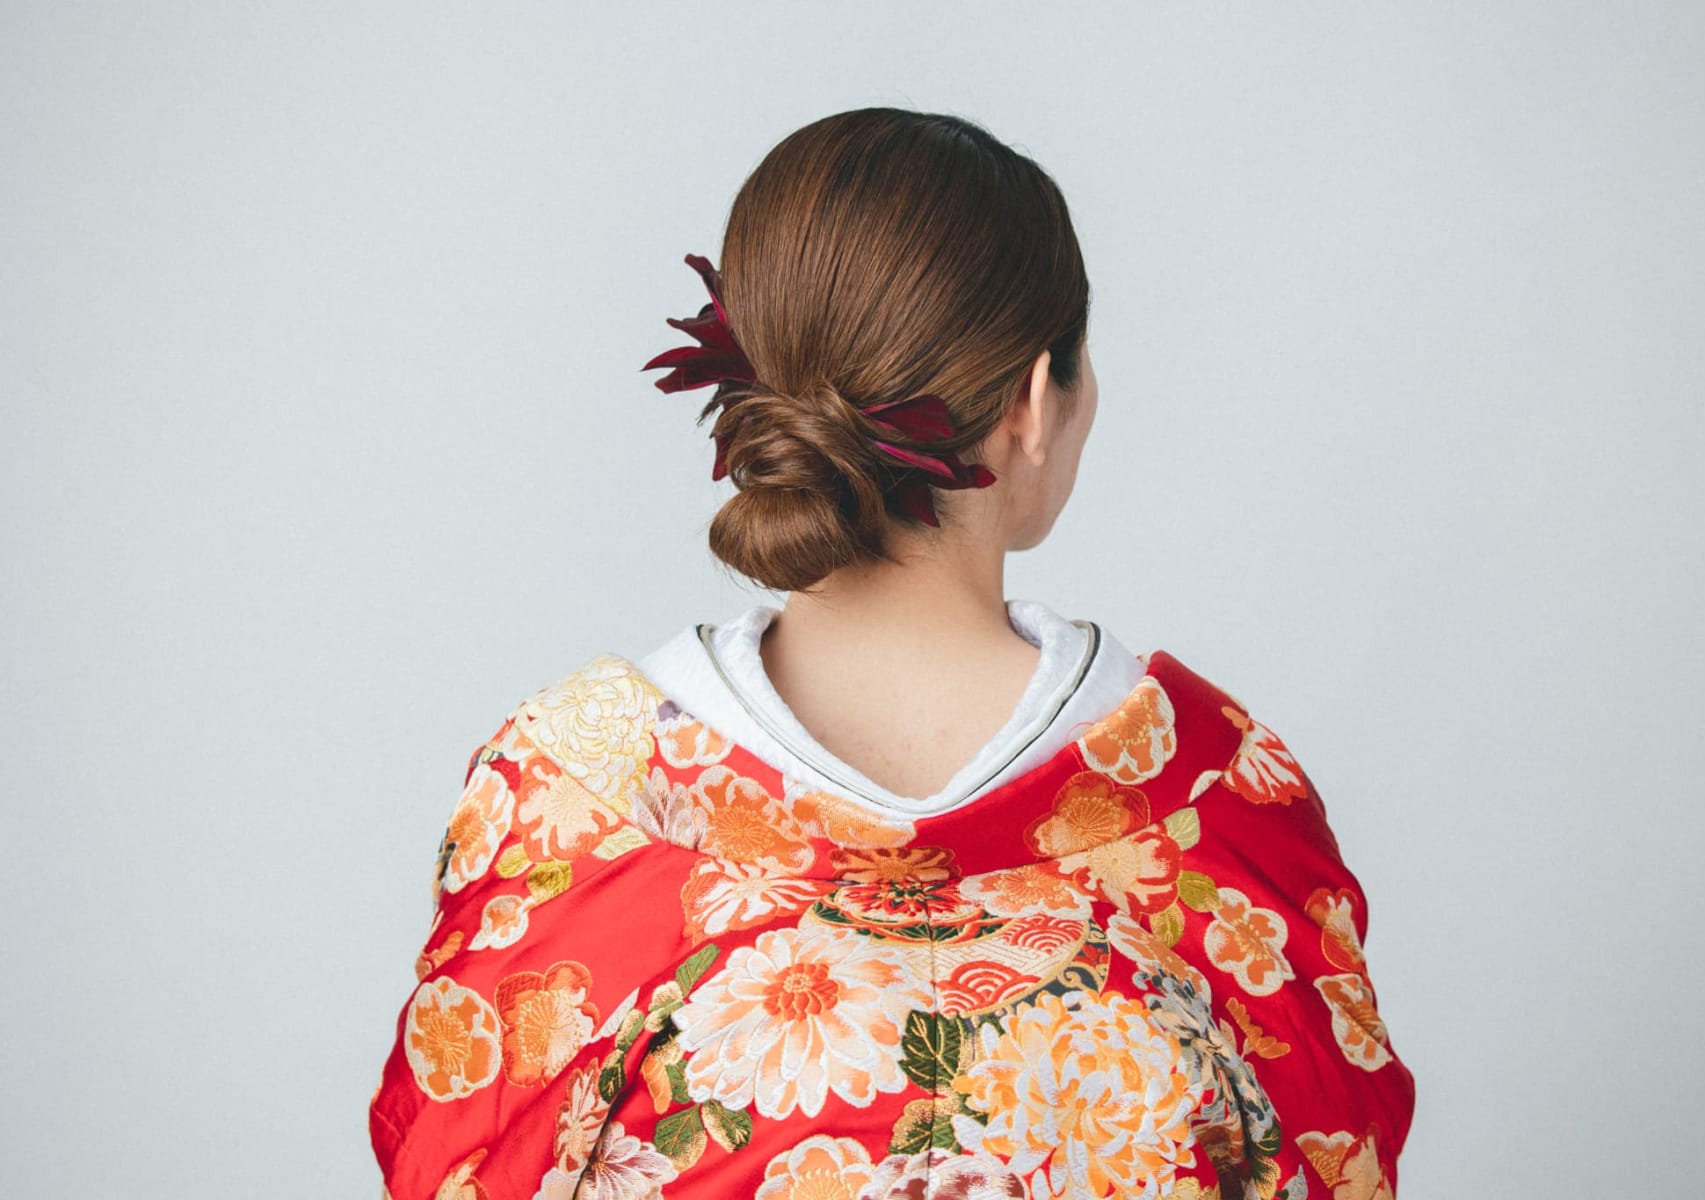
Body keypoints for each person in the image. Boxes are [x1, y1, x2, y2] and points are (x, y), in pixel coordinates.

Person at [370, 106, 1416, 1200]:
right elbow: (1338, 1160)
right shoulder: (1216, 796)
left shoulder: (568, 798)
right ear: (1034, 403)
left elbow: (453, 1163)